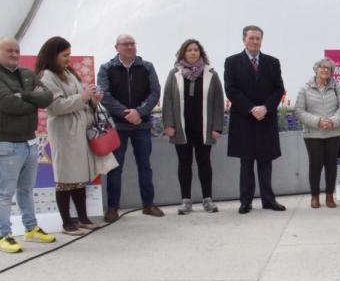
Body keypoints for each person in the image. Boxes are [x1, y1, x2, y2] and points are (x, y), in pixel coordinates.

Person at [38, 36, 118, 235]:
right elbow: (55, 106)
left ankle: (82, 217)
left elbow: (79, 100)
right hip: (64, 131)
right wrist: (82, 97)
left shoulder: (68, 73)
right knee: (65, 177)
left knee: (79, 176)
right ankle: (67, 222)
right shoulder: (46, 76)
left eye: (69, 55)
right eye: (65, 55)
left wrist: (92, 99)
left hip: (79, 129)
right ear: (53, 55)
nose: (68, 59)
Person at [97, 34, 162, 221]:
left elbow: (155, 92)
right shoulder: (106, 68)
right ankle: (112, 208)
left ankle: (148, 205)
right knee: (115, 168)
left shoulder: (146, 67)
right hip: (117, 127)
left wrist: (139, 112)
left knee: (145, 165)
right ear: (116, 47)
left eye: (133, 44)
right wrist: (126, 113)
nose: (130, 47)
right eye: (126, 44)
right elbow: (105, 95)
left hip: (141, 125)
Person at [0, 37, 55, 253]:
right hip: (6, 144)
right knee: (5, 193)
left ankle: (31, 228)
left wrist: (23, 96)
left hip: (30, 141)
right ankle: (4, 234)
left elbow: (47, 97)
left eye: (17, 50)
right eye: (9, 51)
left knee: (26, 189)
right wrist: (33, 101)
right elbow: (7, 103)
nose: (14, 54)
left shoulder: (27, 73)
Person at [224, 25, 286, 214]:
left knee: (266, 162)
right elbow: (231, 89)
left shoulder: (272, 62)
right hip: (244, 119)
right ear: (244, 40)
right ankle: (246, 201)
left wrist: (265, 108)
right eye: (251, 38)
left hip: (266, 119)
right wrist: (251, 108)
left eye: (258, 38)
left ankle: (268, 200)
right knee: (246, 162)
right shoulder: (232, 62)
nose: (255, 41)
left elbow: (278, 89)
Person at [161, 39, 225, 215]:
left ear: (201, 53)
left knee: (205, 163)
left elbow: (219, 101)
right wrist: (168, 124)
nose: (193, 53)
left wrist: (218, 127)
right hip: (182, 128)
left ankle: (208, 200)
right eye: (189, 50)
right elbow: (167, 100)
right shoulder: (174, 73)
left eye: (196, 50)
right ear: (183, 53)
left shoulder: (211, 74)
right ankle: (186, 201)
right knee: (184, 163)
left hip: (204, 128)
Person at [294, 58, 340, 209]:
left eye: (328, 68)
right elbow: (299, 111)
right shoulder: (305, 89)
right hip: (313, 134)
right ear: (315, 69)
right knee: (315, 165)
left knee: (331, 165)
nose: (325, 70)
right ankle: (315, 196)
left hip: (334, 132)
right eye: (322, 67)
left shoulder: (337, 87)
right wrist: (318, 121)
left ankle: (330, 196)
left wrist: (332, 121)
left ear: (331, 72)